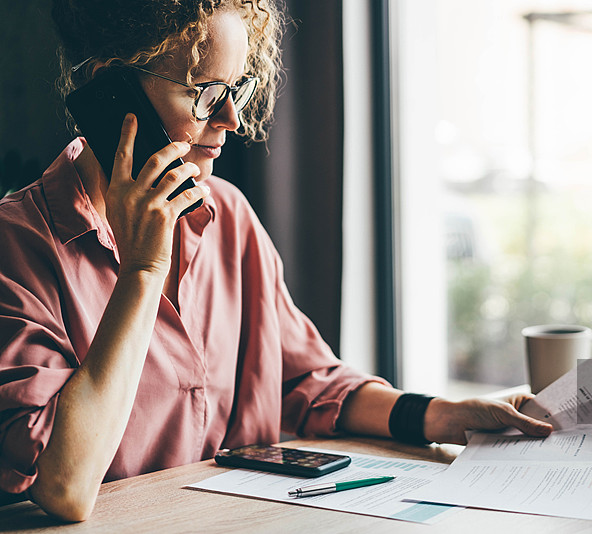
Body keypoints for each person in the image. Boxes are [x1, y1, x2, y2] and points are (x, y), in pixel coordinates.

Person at [0, 0, 552, 522]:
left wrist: (445, 415)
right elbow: (64, 485)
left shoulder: (229, 218)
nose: (231, 118)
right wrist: (143, 271)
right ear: (112, 87)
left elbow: (309, 382)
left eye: (235, 88)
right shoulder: (18, 245)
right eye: (205, 92)